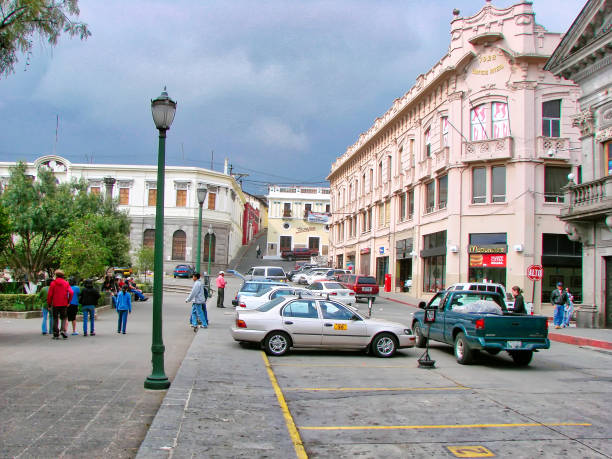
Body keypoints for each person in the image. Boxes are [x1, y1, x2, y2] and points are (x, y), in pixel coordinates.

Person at [47, 269, 73, 340]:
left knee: (55, 318)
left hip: (55, 304)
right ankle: (63, 330)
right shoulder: (66, 283)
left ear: (56, 275)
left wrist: (49, 304)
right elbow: (71, 292)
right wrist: (69, 301)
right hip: (64, 303)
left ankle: (56, 333)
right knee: (64, 317)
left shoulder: (53, 283)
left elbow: (50, 295)